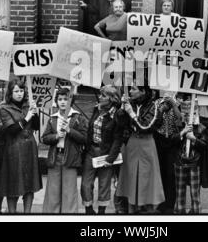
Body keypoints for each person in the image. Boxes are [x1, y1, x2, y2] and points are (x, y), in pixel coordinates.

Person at [116, 84, 170, 214]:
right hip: (132, 144)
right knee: (131, 176)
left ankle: (148, 210)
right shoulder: (130, 103)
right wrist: (122, 111)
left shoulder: (154, 106)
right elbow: (121, 124)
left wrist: (131, 113)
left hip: (147, 144)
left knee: (147, 177)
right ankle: (131, 209)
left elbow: (146, 127)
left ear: (143, 91)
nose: (130, 91)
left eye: (134, 89)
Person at [0, 78, 42, 213]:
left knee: (30, 185)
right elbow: (11, 130)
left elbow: (36, 127)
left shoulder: (28, 105)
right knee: (14, 186)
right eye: (16, 91)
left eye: (21, 90)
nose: (19, 93)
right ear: (10, 93)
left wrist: (35, 112)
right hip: (14, 150)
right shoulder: (4, 108)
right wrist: (27, 117)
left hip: (30, 149)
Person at [81, 85, 127, 214]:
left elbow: (118, 138)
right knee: (86, 184)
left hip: (106, 153)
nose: (100, 97)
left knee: (104, 185)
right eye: (100, 94)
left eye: (103, 95)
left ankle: (101, 212)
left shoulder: (118, 114)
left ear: (112, 99)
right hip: (91, 151)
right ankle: (89, 210)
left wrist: (110, 158)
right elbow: (91, 129)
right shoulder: (97, 109)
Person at [42, 87, 88, 213]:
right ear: (56, 101)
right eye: (60, 99)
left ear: (70, 101)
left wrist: (70, 131)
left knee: (69, 191)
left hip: (71, 157)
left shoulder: (78, 117)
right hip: (55, 156)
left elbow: (84, 138)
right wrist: (56, 136)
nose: (63, 102)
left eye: (66, 99)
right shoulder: (53, 118)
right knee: (53, 190)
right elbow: (44, 138)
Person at [173, 93, 207, 214]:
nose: (188, 115)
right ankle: (179, 213)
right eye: (185, 112)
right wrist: (182, 133)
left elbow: (204, 145)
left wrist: (193, 139)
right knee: (180, 193)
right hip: (180, 162)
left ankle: (196, 214)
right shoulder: (177, 125)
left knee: (195, 194)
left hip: (194, 163)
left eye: (191, 112)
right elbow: (172, 141)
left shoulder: (201, 127)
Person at [153, 93, 182, 214]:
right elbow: (155, 121)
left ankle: (170, 204)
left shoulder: (179, 103)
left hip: (173, 139)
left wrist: (174, 105)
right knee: (160, 172)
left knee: (171, 173)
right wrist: (161, 108)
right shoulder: (156, 103)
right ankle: (160, 203)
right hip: (159, 139)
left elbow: (181, 120)